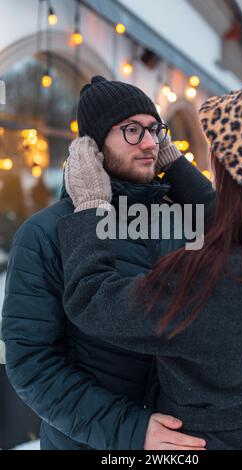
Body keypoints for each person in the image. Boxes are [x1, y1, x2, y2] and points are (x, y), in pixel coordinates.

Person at [57, 75, 242, 450]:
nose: (151, 142)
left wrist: (90, 209)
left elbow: (92, 301)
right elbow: (230, 217)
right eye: (134, 130)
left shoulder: (226, 276)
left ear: (238, 171)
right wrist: (173, 163)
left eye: (218, 153)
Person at [2, 76, 208, 450]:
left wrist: (179, 169)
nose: (150, 143)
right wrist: (129, 430)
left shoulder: (178, 219)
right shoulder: (44, 234)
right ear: (93, 147)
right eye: (131, 130)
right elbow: (32, 364)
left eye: (154, 131)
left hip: (181, 443)